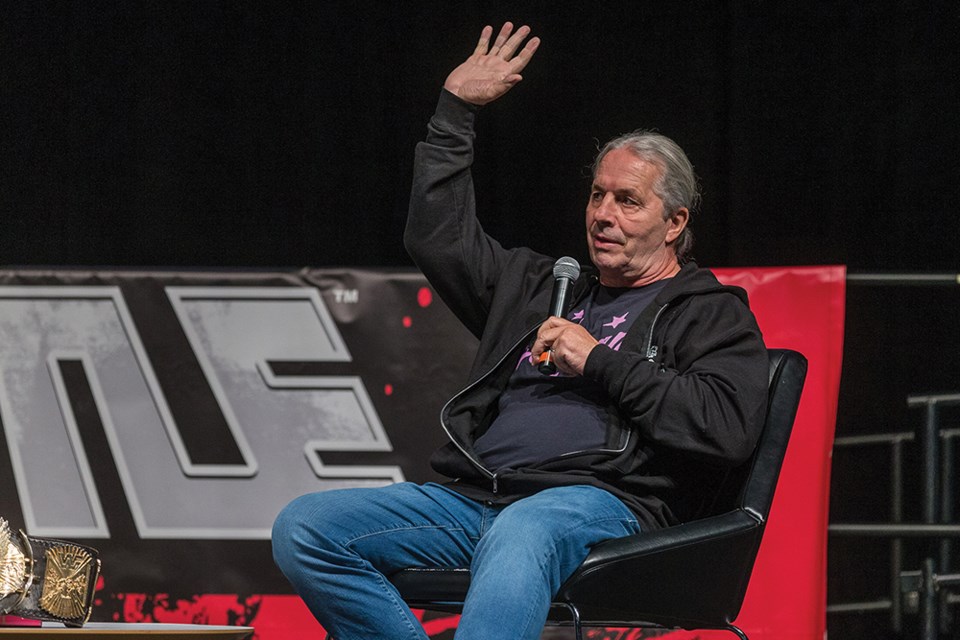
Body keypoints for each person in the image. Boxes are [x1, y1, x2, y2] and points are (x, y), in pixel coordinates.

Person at [272, 22, 769, 640]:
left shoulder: (708, 310)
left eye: (626, 201)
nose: (603, 215)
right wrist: (453, 114)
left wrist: (598, 362)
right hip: (479, 496)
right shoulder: (540, 288)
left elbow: (724, 427)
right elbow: (437, 239)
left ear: (674, 222)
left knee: (524, 528)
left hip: (599, 504)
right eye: (596, 196)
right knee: (307, 528)